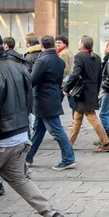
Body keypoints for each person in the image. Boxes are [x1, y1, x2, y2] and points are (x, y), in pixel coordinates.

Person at [0, 28, 65, 217]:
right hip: (19, 135)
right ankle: (51, 214)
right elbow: (28, 101)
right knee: (21, 179)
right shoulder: (19, 66)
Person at [25, 36, 76, 171]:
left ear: (42, 46)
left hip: (43, 100)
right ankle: (28, 158)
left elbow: (32, 80)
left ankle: (68, 159)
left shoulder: (42, 60)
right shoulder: (59, 61)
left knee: (57, 130)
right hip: (52, 97)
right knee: (38, 130)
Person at [65, 36, 109, 153]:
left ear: (82, 44)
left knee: (91, 117)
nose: (78, 43)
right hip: (91, 91)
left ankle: (105, 143)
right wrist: (96, 91)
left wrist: (67, 88)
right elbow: (99, 77)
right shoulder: (96, 57)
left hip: (83, 93)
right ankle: (69, 143)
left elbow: (75, 74)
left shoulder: (79, 56)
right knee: (77, 118)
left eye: (79, 42)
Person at [55, 35, 75, 117]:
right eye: (56, 42)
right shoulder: (69, 51)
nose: (57, 44)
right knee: (72, 102)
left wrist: (62, 80)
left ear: (65, 44)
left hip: (64, 81)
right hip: (69, 79)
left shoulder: (62, 54)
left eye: (59, 43)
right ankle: (76, 120)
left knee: (57, 102)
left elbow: (64, 69)